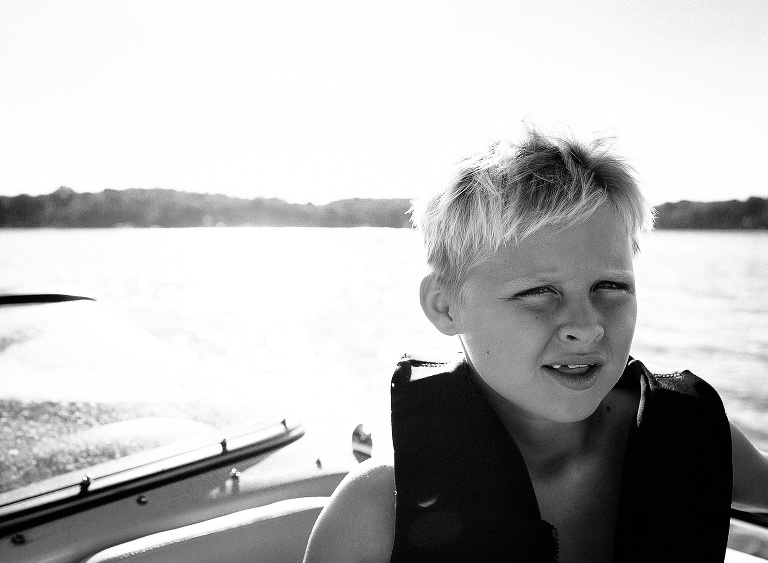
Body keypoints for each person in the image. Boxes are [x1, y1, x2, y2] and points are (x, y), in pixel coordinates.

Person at [303, 129, 768, 562]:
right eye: (537, 293)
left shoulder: (694, 438)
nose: (586, 328)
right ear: (445, 307)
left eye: (611, 286)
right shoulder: (374, 512)